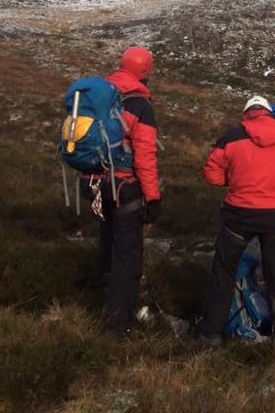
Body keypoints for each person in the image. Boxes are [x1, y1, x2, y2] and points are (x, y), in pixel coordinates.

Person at [197, 96, 275, 344]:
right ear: (268, 112)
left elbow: (211, 175)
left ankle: (211, 332)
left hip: (238, 214)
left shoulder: (231, 137)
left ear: (247, 114)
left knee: (223, 273)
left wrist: (234, 181)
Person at [99, 46, 161, 335]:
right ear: (145, 71)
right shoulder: (140, 105)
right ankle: (118, 323)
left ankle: (104, 300)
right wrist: (153, 197)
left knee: (108, 244)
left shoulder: (103, 94)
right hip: (126, 187)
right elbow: (145, 156)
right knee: (128, 255)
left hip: (96, 184)